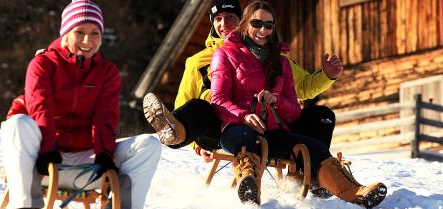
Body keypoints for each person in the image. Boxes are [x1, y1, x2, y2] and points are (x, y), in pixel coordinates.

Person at [1, 0, 161, 209]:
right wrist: (47, 149)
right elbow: (40, 108)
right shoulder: (42, 64)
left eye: (95, 33)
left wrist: (105, 155)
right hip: (41, 161)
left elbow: (105, 118)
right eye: (80, 32)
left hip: (86, 160)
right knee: (18, 123)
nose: (88, 41)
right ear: (66, 32)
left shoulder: (106, 72)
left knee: (149, 144)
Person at [210, 0, 387, 208]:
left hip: (272, 131)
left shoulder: (282, 62)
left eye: (269, 25)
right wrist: (244, 116)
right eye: (257, 24)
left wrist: (277, 101)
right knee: (245, 138)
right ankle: (249, 185)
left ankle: (354, 192)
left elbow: (294, 112)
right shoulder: (224, 54)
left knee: (315, 147)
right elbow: (218, 100)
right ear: (246, 23)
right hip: (237, 129)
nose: (263, 30)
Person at [143, 0, 342, 159]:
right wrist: (197, 144)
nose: (224, 24)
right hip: (218, 125)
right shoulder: (198, 61)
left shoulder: (273, 57)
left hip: (265, 123)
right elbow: (184, 101)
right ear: (212, 24)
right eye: (218, 19)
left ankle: (317, 171)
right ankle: (175, 131)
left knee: (322, 114)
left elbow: (304, 88)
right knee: (200, 104)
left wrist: (327, 75)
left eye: (230, 17)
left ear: (242, 21)